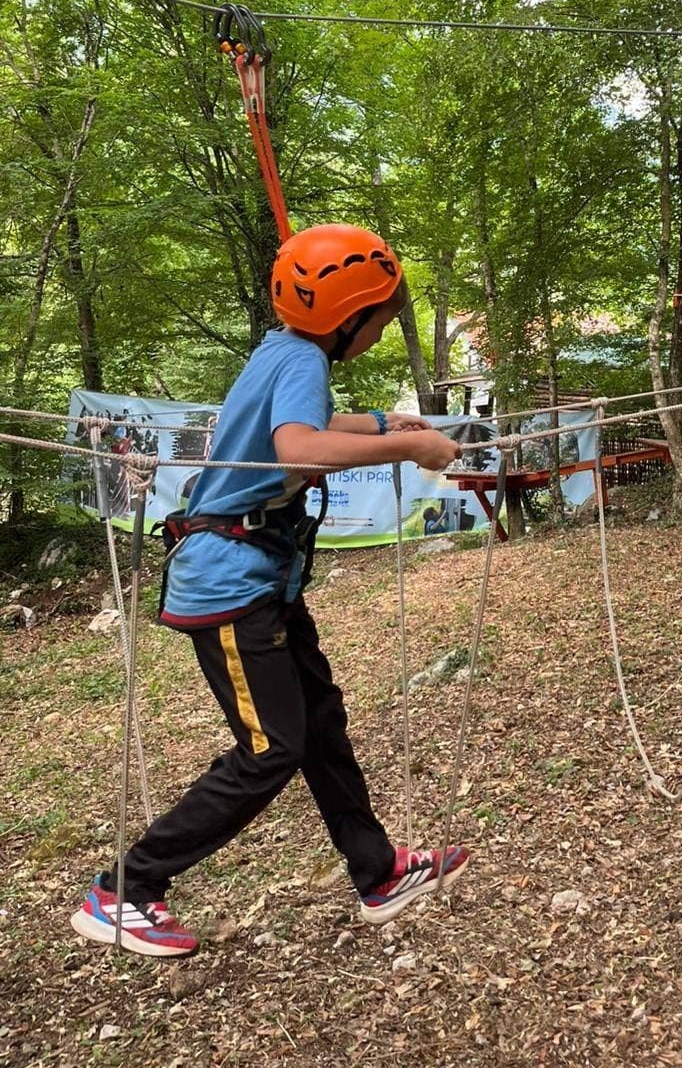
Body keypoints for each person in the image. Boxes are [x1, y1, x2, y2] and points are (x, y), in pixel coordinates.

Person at [70, 225, 466, 959]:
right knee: (270, 749)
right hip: (231, 585)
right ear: (347, 315)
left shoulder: (283, 350)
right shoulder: (303, 358)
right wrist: (411, 447)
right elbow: (299, 446)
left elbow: (301, 428)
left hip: (263, 578)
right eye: (379, 319)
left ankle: (378, 874)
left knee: (320, 720)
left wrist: (384, 423)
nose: (380, 333)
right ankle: (125, 890)